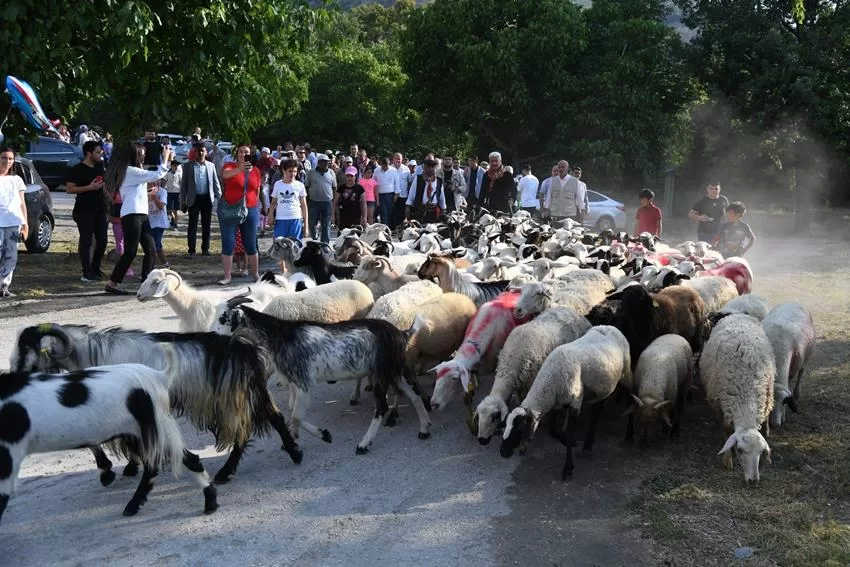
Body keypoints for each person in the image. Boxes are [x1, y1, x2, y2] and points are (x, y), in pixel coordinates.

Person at [104, 141, 173, 295]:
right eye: (141, 153)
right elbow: (158, 174)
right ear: (134, 155)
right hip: (132, 215)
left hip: (141, 214)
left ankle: (146, 282)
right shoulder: (130, 171)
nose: (144, 155)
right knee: (130, 251)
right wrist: (165, 158)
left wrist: (147, 193)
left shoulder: (133, 171)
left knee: (151, 249)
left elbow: (134, 192)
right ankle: (112, 283)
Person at [219, 145, 262, 285]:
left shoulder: (255, 170)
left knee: (250, 243)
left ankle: (255, 274)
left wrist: (258, 205)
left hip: (250, 208)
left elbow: (257, 189)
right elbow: (225, 175)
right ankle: (227, 276)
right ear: (237, 154)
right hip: (231, 208)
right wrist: (240, 169)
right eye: (241, 152)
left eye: (247, 152)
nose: (244, 154)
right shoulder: (229, 166)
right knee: (228, 242)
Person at [65, 140, 108, 282]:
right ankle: (86, 271)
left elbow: (104, 185)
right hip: (84, 210)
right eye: (97, 152)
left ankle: (96, 268)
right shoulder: (77, 169)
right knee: (86, 241)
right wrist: (89, 188)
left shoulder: (100, 166)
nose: (100, 154)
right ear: (89, 153)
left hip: (101, 209)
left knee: (102, 240)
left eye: (101, 151)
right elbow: (70, 189)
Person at [180, 142, 222, 257]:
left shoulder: (211, 166)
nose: (201, 153)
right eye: (198, 151)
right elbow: (184, 186)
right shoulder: (188, 166)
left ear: (206, 152)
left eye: (203, 150)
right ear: (195, 152)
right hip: (194, 199)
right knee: (192, 225)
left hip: (207, 198)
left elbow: (215, 183)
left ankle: (205, 249)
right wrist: (182, 201)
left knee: (206, 224)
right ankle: (191, 250)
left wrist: (221, 199)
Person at [0, 147, 28, 297]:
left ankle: (3, 286)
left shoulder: (17, 180)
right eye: (4, 158)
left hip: (13, 222)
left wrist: (25, 224)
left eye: (10, 158)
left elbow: (22, 203)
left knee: (10, 256)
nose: (7, 161)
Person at [267, 158, 308, 239]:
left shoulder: (300, 185)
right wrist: (270, 215)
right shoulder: (277, 184)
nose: (292, 174)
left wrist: (306, 226)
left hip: (295, 218)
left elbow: (304, 205)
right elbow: (273, 202)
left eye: (295, 171)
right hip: (281, 219)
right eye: (290, 171)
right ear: (284, 171)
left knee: (295, 245)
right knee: (280, 245)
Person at [304, 153, 336, 243]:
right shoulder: (311, 172)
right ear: (318, 162)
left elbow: (334, 187)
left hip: (327, 202)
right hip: (314, 201)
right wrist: (307, 199)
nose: (325, 164)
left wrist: (333, 200)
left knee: (326, 224)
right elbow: (307, 186)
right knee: (312, 222)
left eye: (327, 162)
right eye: (323, 162)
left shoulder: (331, 172)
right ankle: (314, 236)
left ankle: (325, 243)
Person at [542, 160, 585, 224]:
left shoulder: (575, 182)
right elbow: (548, 197)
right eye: (559, 167)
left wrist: (582, 210)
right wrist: (546, 209)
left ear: (567, 168)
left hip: (570, 215)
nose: (561, 169)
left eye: (563, 167)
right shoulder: (552, 181)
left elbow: (579, 198)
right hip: (555, 214)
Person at [406, 158, 445, 223]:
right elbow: (411, 193)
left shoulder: (438, 180)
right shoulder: (418, 179)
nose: (431, 169)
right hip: (420, 211)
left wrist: (443, 209)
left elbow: (442, 196)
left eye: (433, 167)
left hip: (433, 213)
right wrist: (408, 207)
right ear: (424, 168)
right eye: (428, 167)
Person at [146, 181, 171, 269]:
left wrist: (153, 197)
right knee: (158, 246)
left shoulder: (162, 191)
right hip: (148, 222)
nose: (149, 184)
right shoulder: (143, 190)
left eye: (152, 182)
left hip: (159, 223)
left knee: (152, 248)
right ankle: (166, 265)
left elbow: (161, 206)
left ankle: (148, 270)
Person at [374, 157, 399, 226]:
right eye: (383, 166)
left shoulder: (393, 170)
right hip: (380, 195)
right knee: (383, 213)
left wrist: (396, 195)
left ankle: (389, 227)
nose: (384, 167)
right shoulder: (376, 171)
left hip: (390, 194)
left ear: (389, 164)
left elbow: (396, 183)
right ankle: (385, 228)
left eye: (386, 166)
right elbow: (374, 182)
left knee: (389, 212)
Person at [163, 160, 182, 229]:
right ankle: (172, 220)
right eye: (174, 166)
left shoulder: (179, 174)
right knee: (169, 209)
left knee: (176, 210)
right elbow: (164, 181)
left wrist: (182, 193)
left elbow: (181, 183)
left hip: (177, 193)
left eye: (177, 166)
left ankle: (175, 224)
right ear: (171, 166)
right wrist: (162, 189)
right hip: (169, 192)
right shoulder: (168, 174)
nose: (176, 167)